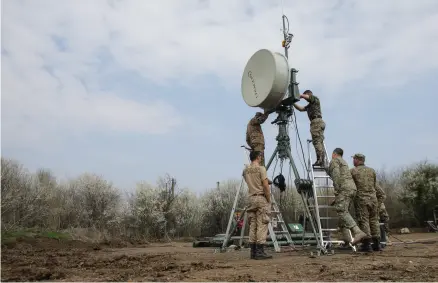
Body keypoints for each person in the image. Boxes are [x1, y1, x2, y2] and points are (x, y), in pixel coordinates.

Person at [328, 148, 367, 246]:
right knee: (344, 214)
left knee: (341, 210)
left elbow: (336, 176)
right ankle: (347, 239)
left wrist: (337, 193)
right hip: (352, 189)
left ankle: (357, 232)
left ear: (334, 154)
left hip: (344, 188)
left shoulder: (334, 160)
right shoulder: (343, 162)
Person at [242, 150, 272, 260]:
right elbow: (265, 186)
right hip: (260, 197)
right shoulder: (261, 169)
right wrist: (268, 199)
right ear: (258, 157)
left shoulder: (246, 170)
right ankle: (260, 251)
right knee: (262, 224)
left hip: (250, 198)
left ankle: (253, 252)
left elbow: (249, 181)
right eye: (261, 156)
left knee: (253, 224)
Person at [350, 153, 381, 252]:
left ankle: (366, 244)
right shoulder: (372, 171)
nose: (353, 161)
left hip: (361, 199)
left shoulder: (353, 171)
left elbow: (350, 185)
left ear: (358, 160)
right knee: (374, 220)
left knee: (364, 220)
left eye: (354, 159)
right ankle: (377, 244)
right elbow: (374, 184)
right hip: (373, 198)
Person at [293, 90, 326, 167]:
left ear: (308, 94)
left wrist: (300, 95)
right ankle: (321, 160)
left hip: (316, 122)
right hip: (317, 122)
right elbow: (301, 109)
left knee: (317, 141)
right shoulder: (310, 105)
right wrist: (293, 103)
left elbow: (307, 97)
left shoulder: (315, 99)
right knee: (319, 142)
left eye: (306, 95)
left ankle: (320, 160)